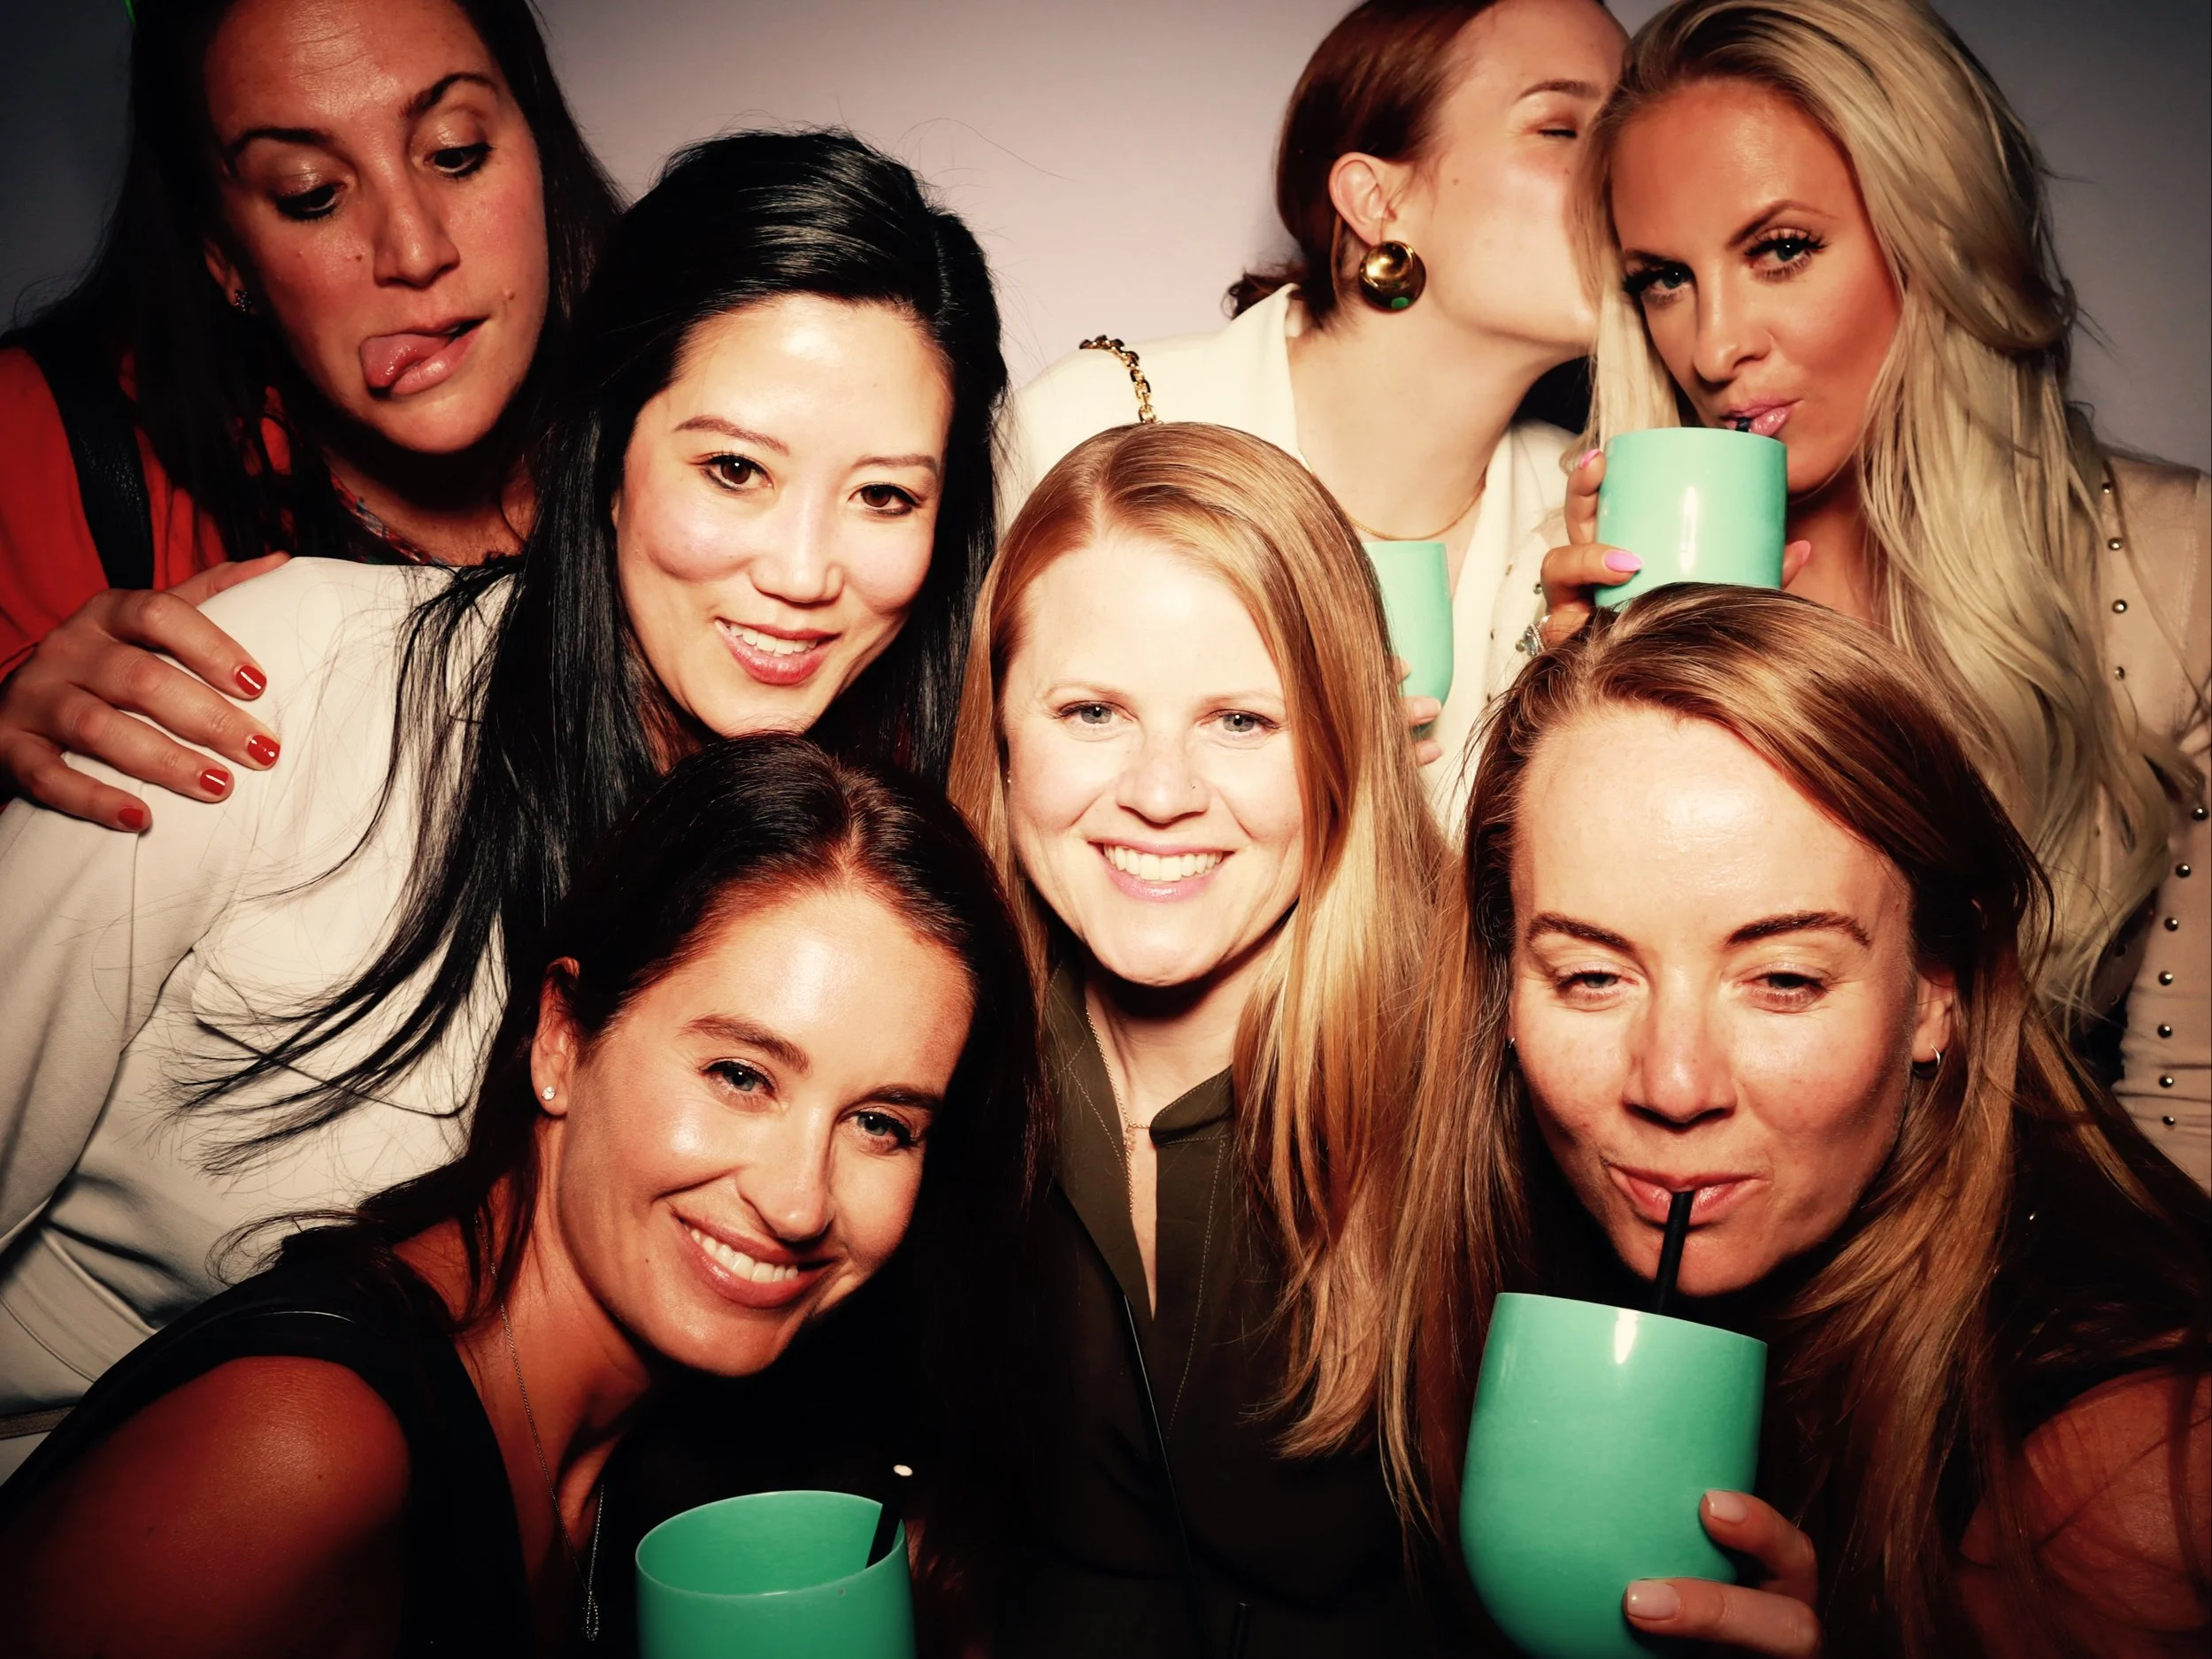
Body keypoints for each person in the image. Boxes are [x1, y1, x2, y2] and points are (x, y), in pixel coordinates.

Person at [0, 128, 1006, 1476]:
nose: (804, 570)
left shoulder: (860, 879)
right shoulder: (276, 682)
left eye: (883, 495)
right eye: (734, 470)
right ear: (609, 451)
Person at [0, 735, 1047, 1659]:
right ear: (561, 1040)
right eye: (739, 1075)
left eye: (881, 1124)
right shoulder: (293, 1457)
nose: (800, 1202)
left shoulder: (692, 1456)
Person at [1385, 586, 2211, 1655]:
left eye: (1782, 979)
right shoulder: (1509, 1290)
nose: (1673, 1084)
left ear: (1936, 990)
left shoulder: (2124, 1478)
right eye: (1590, 976)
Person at [1539, 0, 2209, 1183]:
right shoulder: (1612, 578)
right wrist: (1572, 709)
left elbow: (2187, 1101)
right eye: (1664, 279)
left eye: (1780, 249)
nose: (1713, 347)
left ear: (1934, 232)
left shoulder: (2172, 566)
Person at [949, 422, 1447, 1655]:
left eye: (1241, 721)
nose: (1162, 792)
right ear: (999, 727)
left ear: (1342, 740)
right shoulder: (924, 1069)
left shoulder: (1483, 1085)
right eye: (1092, 710)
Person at [1003, 0, 1627, 826]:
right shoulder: (1094, 423)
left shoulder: (1592, 513)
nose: (1633, 168)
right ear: (1375, 200)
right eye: (1560, 128)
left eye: (1632, 125)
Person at [0, 0, 619, 833]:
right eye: (312, 194)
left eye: (455, 152)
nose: (415, 251)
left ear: (537, 144)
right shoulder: (45, 443)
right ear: (223, 252)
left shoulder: (713, 384)